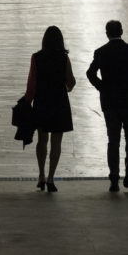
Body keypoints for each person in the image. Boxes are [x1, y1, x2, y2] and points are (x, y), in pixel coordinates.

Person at [86, 20, 128, 192]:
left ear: (106, 33)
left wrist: (102, 88)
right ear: (122, 31)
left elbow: (90, 73)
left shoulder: (100, 52)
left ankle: (114, 179)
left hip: (110, 103)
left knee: (113, 140)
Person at [24, 26, 76, 192]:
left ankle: (41, 175)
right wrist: (65, 88)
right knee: (56, 142)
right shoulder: (64, 58)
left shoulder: (36, 57)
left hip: (42, 101)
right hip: (59, 101)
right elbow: (71, 82)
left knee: (42, 140)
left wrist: (27, 103)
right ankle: (51, 178)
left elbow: (31, 83)